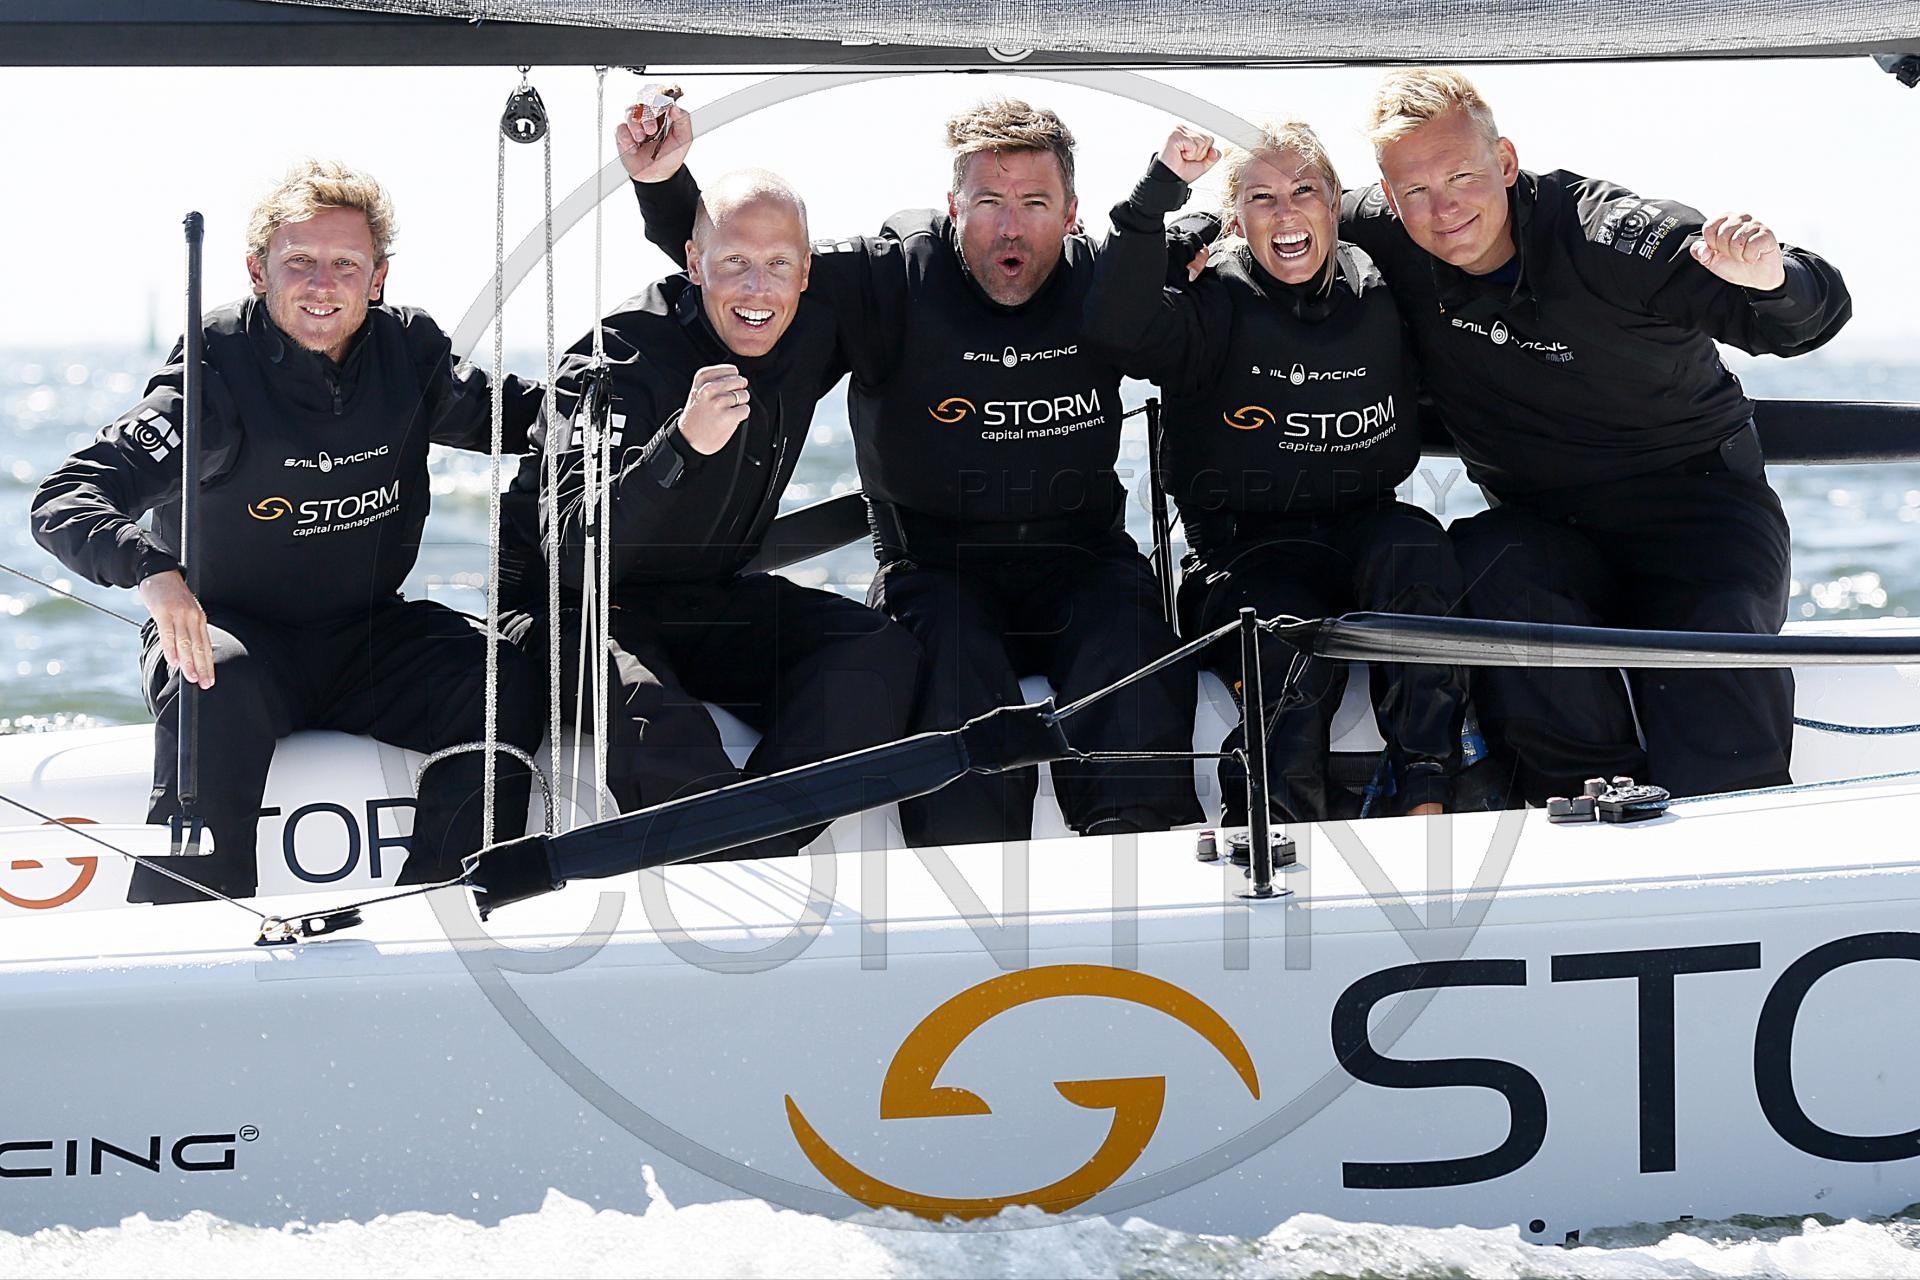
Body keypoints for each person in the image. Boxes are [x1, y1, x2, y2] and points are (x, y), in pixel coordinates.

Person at [617, 94, 1203, 847]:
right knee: (954, 677)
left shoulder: (1102, 283)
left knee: (1135, 651)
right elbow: (751, 269)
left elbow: (1215, 260)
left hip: (1085, 562)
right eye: (988, 202)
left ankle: (1134, 857)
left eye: (1034, 203)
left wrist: (1190, 231)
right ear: (953, 207)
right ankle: (974, 881)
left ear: (1070, 214)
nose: (1010, 227)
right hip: (936, 568)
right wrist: (664, 185)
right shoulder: (890, 278)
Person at [31, 160, 544, 903]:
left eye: (346, 265)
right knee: (214, 679)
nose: (321, 284)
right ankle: (193, 921)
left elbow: (532, 417)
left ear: (377, 279)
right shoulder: (216, 371)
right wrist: (152, 570)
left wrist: (649, 403)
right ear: (257, 271)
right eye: (299, 261)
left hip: (368, 636)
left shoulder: (407, 354)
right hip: (232, 638)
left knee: (500, 676)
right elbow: (66, 496)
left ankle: (442, 900)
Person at [1342, 68, 1852, 803]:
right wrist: (1193, 226)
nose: (1443, 208)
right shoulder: (1377, 231)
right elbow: (1277, 212)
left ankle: (1740, 822)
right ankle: (1585, 804)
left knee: (1708, 633)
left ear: (1505, 162)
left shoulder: (1611, 236)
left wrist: (1773, 277)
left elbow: (1804, 316)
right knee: (1487, 561)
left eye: (1461, 176)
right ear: (1390, 199)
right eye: (1415, 191)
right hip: (1543, 522)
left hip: (1700, 512)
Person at [497, 169, 922, 858]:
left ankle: (754, 855)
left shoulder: (809, 326)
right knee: (659, 725)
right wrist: (680, 448)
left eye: (778, 264)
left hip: (705, 596)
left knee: (878, 653)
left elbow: (915, 247)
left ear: (806, 272)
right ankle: (738, 871)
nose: (757, 289)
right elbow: (570, 553)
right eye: (734, 263)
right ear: (694, 263)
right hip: (572, 610)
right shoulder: (618, 359)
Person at [1084, 122, 1468, 822]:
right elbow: (1116, 325)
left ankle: (1428, 796)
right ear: (1236, 219)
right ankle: (1271, 832)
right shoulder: (1209, 299)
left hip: (1363, 523)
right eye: (1262, 198)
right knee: (1292, 645)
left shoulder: (1385, 287)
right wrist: (1157, 201)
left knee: (1417, 550)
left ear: (1334, 203)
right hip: (1241, 552)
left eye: (1304, 192)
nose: (1286, 213)